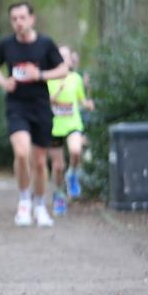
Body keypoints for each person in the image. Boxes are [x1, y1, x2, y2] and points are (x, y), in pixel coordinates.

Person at [0, 2, 69, 227]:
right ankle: (24, 201)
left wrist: (40, 74)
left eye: (22, 17)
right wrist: (4, 82)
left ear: (32, 19)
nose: (18, 22)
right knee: (22, 153)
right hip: (16, 106)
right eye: (14, 19)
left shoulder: (45, 44)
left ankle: (40, 205)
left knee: (41, 162)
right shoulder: (7, 44)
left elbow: (63, 69)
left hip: (41, 106)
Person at [48, 46, 94, 214]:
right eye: (58, 56)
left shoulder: (76, 78)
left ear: (69, 60)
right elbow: (47, 103)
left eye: (65, 56)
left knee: (76, 151)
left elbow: (81, 100)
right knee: (58, 166)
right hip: (54, 127)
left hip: (73, 123)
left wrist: (88, 104)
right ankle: (59, 196)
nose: (62, 59)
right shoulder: (49, 79)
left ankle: (73, 174)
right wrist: (58, 89)